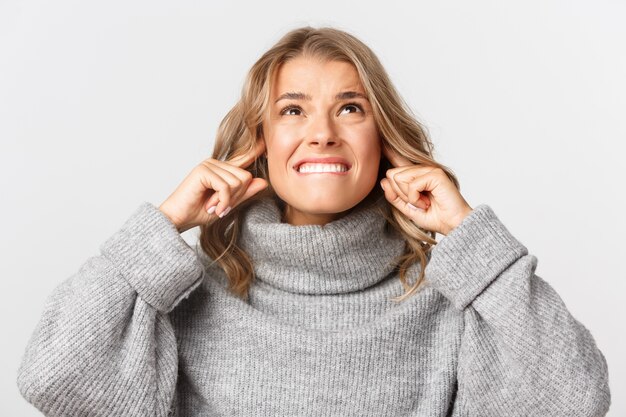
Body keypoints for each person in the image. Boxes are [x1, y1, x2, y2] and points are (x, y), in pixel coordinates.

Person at [17, 26, 610, 416]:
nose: (322, 131)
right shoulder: (185, 290)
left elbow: (576, 400)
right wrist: (164, 225)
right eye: (293, 110)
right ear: (261, 143)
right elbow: (54, 379)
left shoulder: (452, 291)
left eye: (350, 108)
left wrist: (469, 238)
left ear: (383, 141)